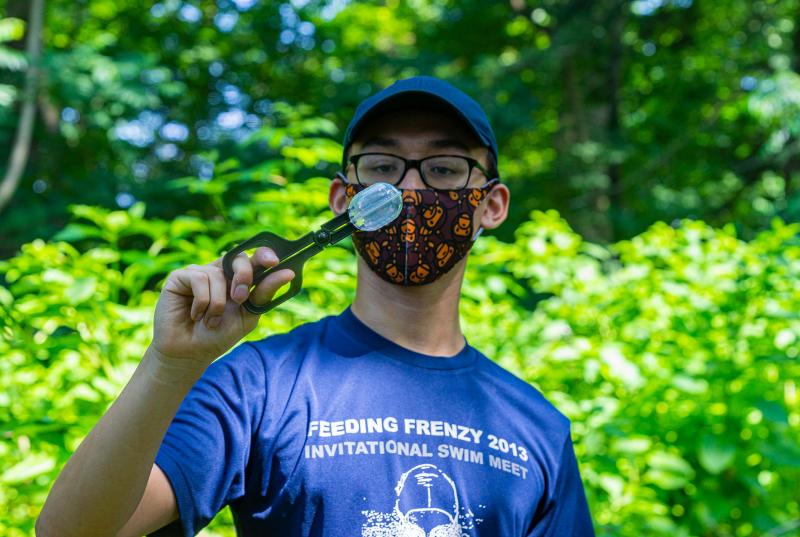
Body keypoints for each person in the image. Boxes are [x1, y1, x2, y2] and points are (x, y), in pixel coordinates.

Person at [37, 76, 595, 537]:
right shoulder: (258, 385)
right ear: (343, 199)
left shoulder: (536, 427)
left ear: (491, 205)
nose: (407, 190)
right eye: (382, 167)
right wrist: (170, 364)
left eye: (444, 168)